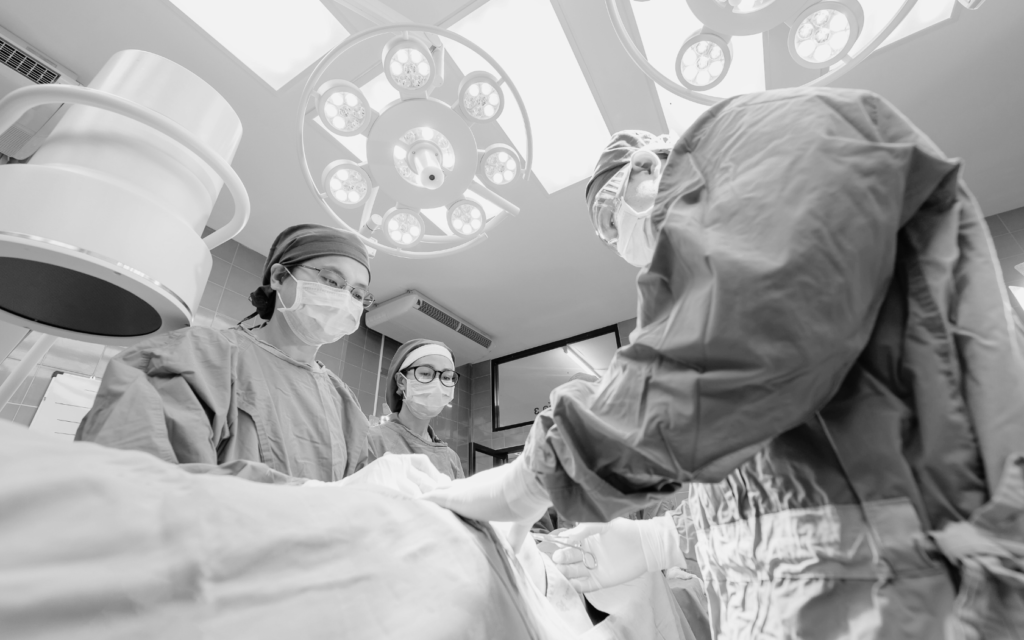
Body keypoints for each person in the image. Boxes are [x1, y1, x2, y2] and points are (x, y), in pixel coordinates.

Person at [425, 87, 1024, 638]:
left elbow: (716, 359)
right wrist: (667, 541)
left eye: (613, 223)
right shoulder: (725, 312)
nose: (621, 245)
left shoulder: (765, 142)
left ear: (646, 167)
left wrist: (526, 481)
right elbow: (783, 495)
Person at [77, 224, 376, 485]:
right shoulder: (196, 356)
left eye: (357, 295)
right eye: (331, 281)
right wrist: (301, 502)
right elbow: (141, 478)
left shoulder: (344, 404)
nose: (343, 299)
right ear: (279, 277)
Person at [366, 339, 465, 479]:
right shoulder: (372, 440)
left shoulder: (451, 459)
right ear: (401, 381)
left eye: (447, 377)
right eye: (425, 373)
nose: (437, 384)